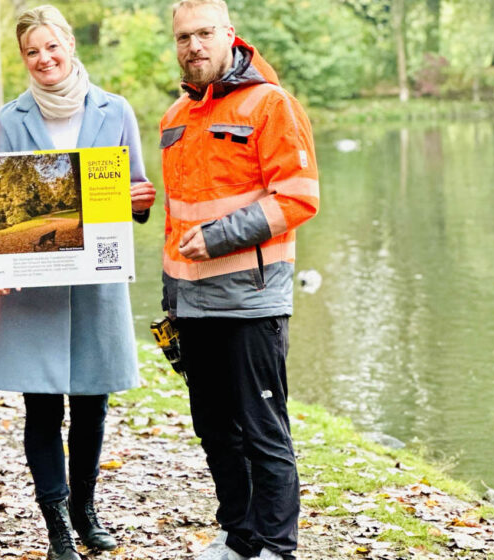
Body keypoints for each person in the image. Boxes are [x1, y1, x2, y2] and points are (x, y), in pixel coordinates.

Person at [0, 5, 156, 560]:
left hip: (97, 280)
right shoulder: (11, 118)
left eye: (51, 47)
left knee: (91, 403)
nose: (44, 59)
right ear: (23, 59)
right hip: (33, 288)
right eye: (32, 52)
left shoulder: (116, 110)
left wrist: (139, 200)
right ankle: (56, 520)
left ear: (70, 45)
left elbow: (136, 189)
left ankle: (85, 509)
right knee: (42, 406)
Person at [160, 2, 320, 560]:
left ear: (229, 35)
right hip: (193, 303)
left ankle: (278, 547)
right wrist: (170, 305)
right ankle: (239, 538)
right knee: (214, 430)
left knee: (263, 430)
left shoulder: (271, 104)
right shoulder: (174, 117)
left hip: (253, 301)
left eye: (205, 33)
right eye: (184, 36)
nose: (194, 46)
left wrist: (223, 235)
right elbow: (175, 219)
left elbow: (300, 196)